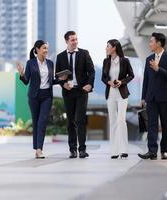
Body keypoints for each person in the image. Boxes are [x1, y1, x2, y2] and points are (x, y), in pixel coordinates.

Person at [16, 40, 67, 159]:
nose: (46, 50)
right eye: (44, 48)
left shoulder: (50, 63)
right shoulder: (30, 63)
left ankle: (39, 149)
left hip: (47, 96)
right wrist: (21, 74)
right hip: (34, 96)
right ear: (37, 49)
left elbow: (51, 81)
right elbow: (26, 81)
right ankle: (36, 148)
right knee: (36, 122)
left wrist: (61, 79)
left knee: (42, 121)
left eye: (47, 48)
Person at [55, 31, 95, 159]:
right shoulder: (60, 56)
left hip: (81, 91)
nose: (75, 42)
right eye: (72, 40)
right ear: (66, 41)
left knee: (80, 120)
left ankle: (82, 149)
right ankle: (72, 150)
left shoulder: (84, 53)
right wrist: (63, 84)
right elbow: (58, 76)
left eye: (76, 39)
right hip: (68, 92)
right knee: (70, 121)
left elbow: (92, 71)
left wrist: (90, 84)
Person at [138, 32, 167, 160]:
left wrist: (158, 69)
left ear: (158, 43)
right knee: (151, 125)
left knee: (166, 125)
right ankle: (152, 151)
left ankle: (164, 151)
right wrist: (143, 97)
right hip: (151, 98)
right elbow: (146, 80)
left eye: (151, 41)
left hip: (166, 97)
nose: (149, 44)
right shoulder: (149, 58)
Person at [101, 39, 134, 159]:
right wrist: (109, 82)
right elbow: (103, 78)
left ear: (114, 47)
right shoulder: (106, 61)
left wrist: (121, 82)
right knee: (113, 122)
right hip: (110, 94)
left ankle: (124, 150)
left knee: (121, 121)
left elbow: (131, 75)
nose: (106, 48)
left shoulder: (125, 61)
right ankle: (114, 151)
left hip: (122, 95)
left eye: (108, 46)